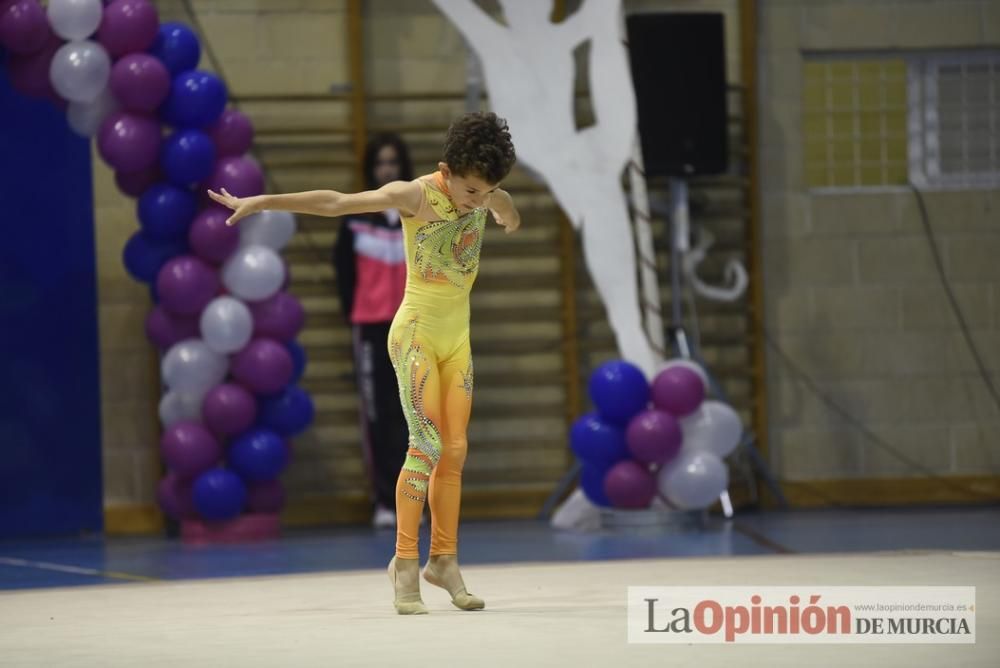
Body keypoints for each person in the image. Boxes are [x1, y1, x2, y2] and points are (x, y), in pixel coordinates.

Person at [209, 111, 520, 615]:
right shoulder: (415, 194)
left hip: (456, 341)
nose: (477, 203)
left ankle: (444, 560)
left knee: (456, 449)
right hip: (415, 334)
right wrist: (262, 201)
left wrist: (506, 212)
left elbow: (505, 206)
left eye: (485, 194)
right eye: (470, 193)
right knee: (426, 444)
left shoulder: (487, 195)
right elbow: (336, 203)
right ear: (446, 170)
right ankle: (403, 562)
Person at [332, 134, 413, 530]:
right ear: (371, 169)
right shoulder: (355, 222)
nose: (388, 170)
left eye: (393, 163)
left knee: (416, 415)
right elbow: (343, 275)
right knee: (378, 416)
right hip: (370, 330)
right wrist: (357, 315)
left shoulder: (420, 217)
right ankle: (384, 500)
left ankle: (415, 500)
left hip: (414, 330)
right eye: (381, 163)